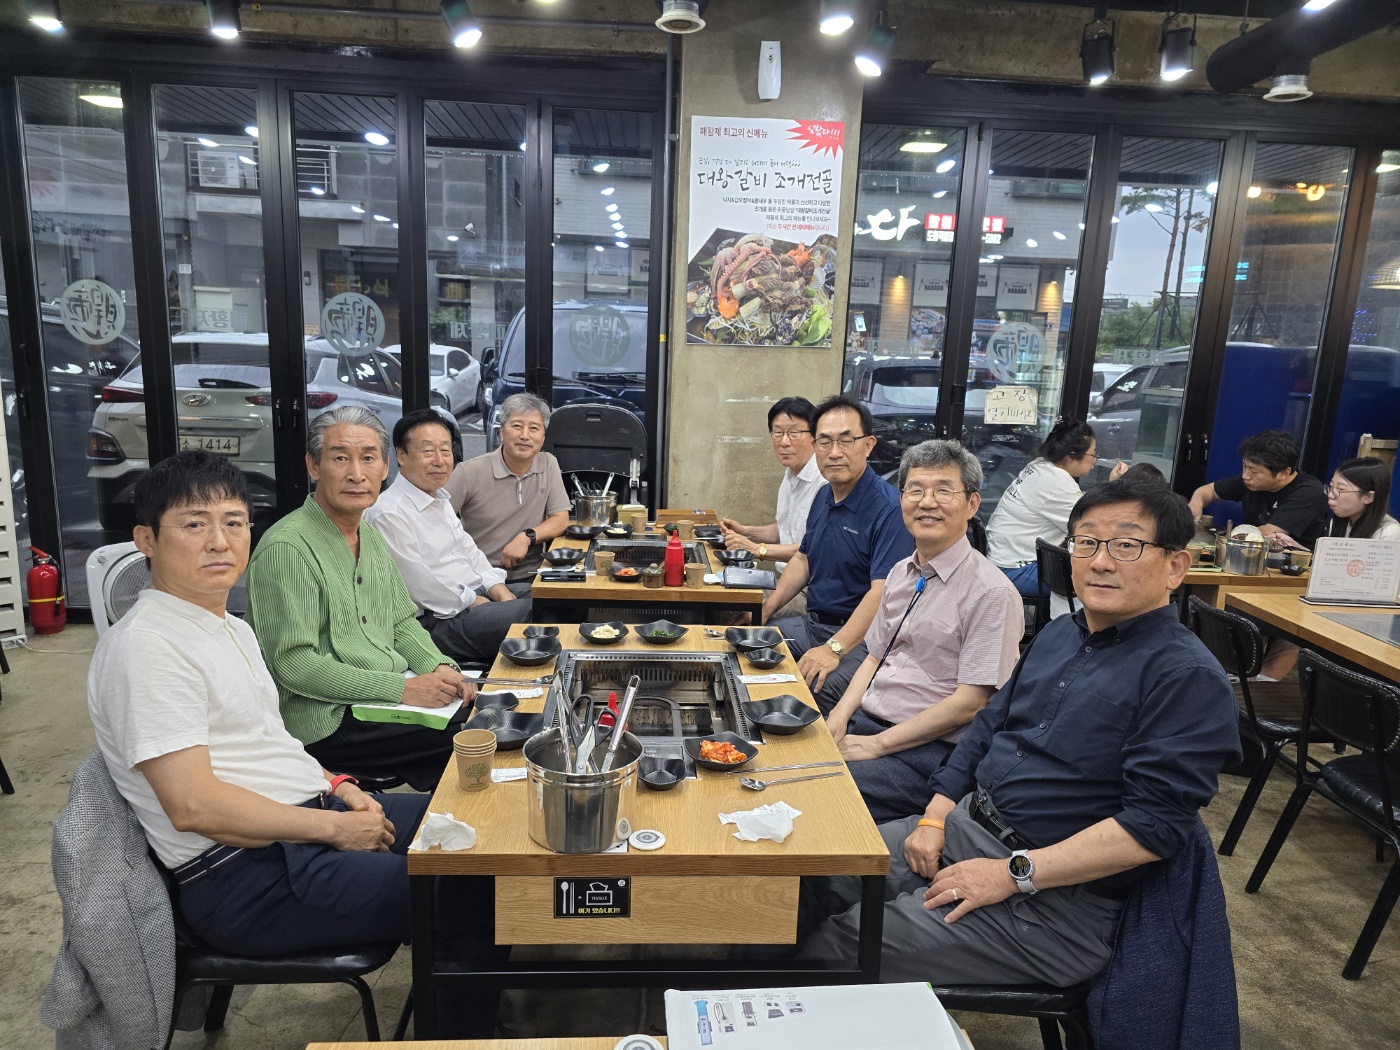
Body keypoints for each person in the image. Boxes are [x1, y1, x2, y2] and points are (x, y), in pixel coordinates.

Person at [87, 450, 501, 1035]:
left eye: (233, 522)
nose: (218, 541)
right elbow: (193, 806)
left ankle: (463, 1005)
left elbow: (270, 741)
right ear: (146, 540)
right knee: (477, 887)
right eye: (194, 524)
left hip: (299, 823)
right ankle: (461, 1038)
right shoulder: (146, 648)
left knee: (485, 824)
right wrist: (332, 828)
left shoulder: (228, 627)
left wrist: (340, 786)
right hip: (245, 876)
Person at [799, 476, 1240, 988]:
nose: (1100, 561)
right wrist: (936, 817)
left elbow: (1153, 826)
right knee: (803, 878)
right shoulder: (1061, 633)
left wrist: (1012, 873)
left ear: (1176, 567)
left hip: (1049, 902)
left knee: (832, 949)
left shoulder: (1186, 677)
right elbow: (987, 726)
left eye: (1126, 545)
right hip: (965, 828)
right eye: (1087, 542)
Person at [247, 406, 474, 792]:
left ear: (385, 468)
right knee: (479, 732)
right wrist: (403, 690)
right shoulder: (288, 548)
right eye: (340, 458)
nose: (356, 473)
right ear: (313, 466)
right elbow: (296, 666)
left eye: (368, 458)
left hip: (382, 697)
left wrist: (438, 666)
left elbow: (401, 622)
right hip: (326, 718)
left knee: (484, 708)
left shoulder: (368, 535)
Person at [826, 440, 1023, 822]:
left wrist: (875, 746)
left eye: (943, 491)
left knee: (810, 793)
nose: (927, 502)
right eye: (915, 490)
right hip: (866, 724)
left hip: (924, 753)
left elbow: (971, 703)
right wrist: (838, 716)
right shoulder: (901, 572)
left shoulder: (991, 592)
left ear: (972, 504)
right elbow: (874, 657)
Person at [766, 395, 915, 713]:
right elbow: (803, 559)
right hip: (812, 625)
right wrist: (765, 609)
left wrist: (833, 649)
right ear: (815, 446)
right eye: (825, 441)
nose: (834, 452)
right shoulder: (823, 495)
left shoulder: (889, 509)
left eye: (846, 440)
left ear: (869, 445)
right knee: (750, 647)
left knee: (810, 690)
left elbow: (882, 592)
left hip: (862, 639)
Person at [365, 409, 533, 666]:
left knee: (555, 596)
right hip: (437, 621)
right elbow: (421, 588)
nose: (440, 460)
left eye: (445, 450)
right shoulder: (388, 513)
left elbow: (470, 552)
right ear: (401, 455)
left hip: (470, 596)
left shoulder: (438, 498)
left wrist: (496, 587)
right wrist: (478, 600)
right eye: (427, 451)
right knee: (537, 615)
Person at [446, 392, 571, 596]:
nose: (525, 435)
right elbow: (435, 522)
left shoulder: (548, 464)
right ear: (502, 432)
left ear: (543, 437)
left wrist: (526, 537)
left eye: (534, 428)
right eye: (517, 426)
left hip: (532, 576)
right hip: (479, 580)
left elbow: (561, 519)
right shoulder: (468, 472)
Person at [719, 396, 827, 619]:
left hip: (811, 591)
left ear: (814, 436)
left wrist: (757, 549)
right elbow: (786, 529)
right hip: (785, 581)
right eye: (778, 433)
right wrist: (746, 531)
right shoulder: (791, 474)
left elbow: (813, 550)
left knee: (739, 610)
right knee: (722, 592)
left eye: (794, 433)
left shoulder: (824, 483)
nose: (784, 442)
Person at [986, 419, 1098, 597]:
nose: (1095, 460)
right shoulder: (1058, 482)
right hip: (1014, 570)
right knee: (1098, 578)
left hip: (999, 559)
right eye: (1092, 454)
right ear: (1071, 456)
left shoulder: (1039, 466)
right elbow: (1092, 527)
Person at [1187, 429, 1329, 547]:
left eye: (1254, 471)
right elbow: (1208, 490)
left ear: (1283, 473)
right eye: (1244, 466)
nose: (1245, 476)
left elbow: (1270, 532)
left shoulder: (1308, 492)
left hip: (1290, 565)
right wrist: (1195, 504)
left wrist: (1223, 537)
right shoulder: (1249, 481)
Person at [1323, 456, 1400, 541]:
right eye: (1331, 486)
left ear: (1369, 497)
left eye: (1340, 489)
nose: (1330, 495)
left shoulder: (1387, 532)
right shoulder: (1338, 521)